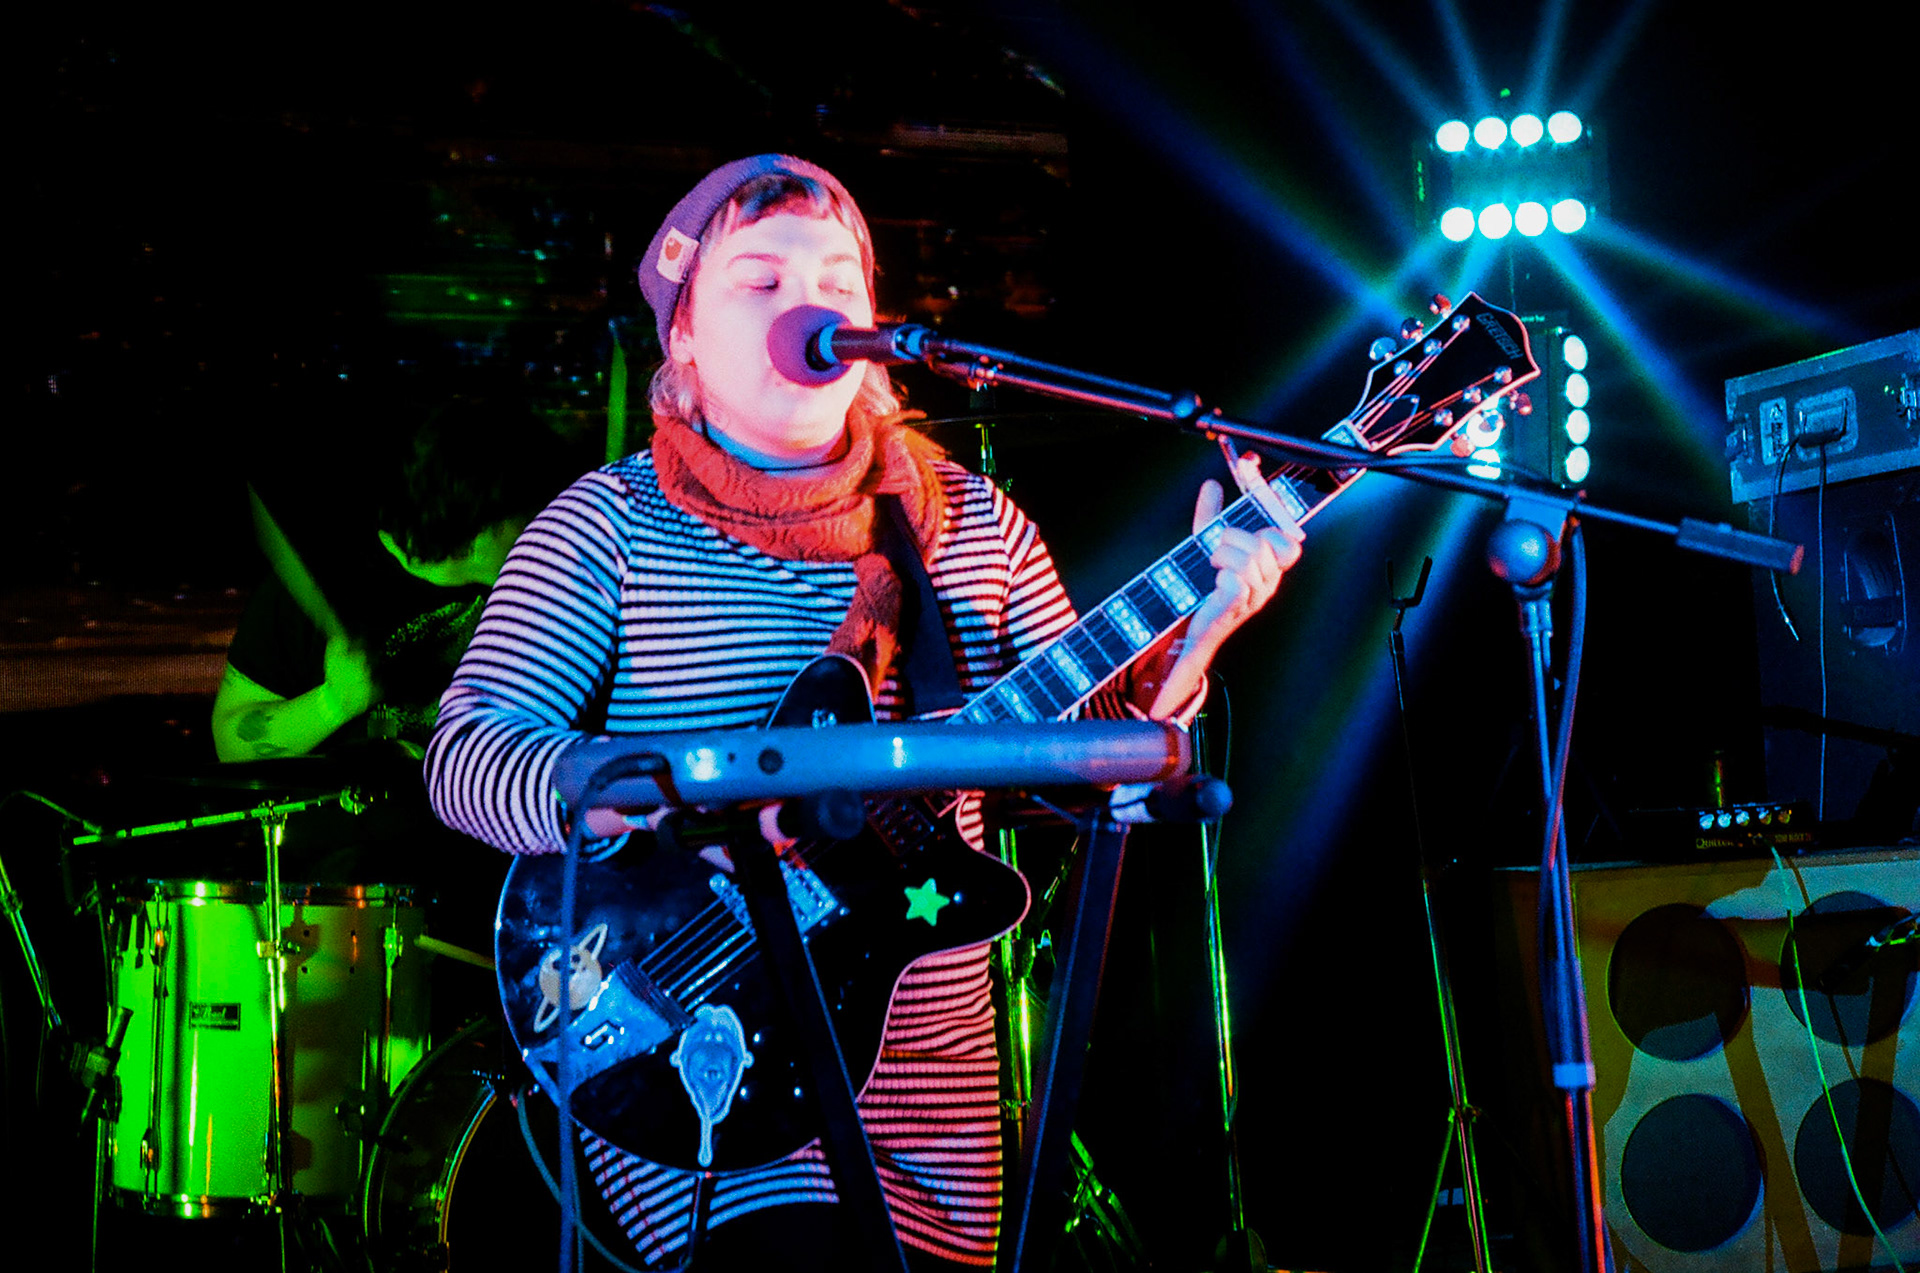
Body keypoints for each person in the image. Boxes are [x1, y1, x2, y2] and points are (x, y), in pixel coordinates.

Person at [425, 154, 1303, 1270]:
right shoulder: (607, 525)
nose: (811, 307)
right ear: (682, 336)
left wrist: (1202, 631)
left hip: (931, 1090)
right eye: (761, 281)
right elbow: (468, 756)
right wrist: (676, 794)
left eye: (839, 283)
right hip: (700, 1039)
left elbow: (1089, 773)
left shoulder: (973, 525)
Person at [212, 396, 575, 763]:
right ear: (471, 536)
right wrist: (331, 704)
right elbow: (231, 748)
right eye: (534, 516)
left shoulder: (563, 582)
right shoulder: (329, 580)